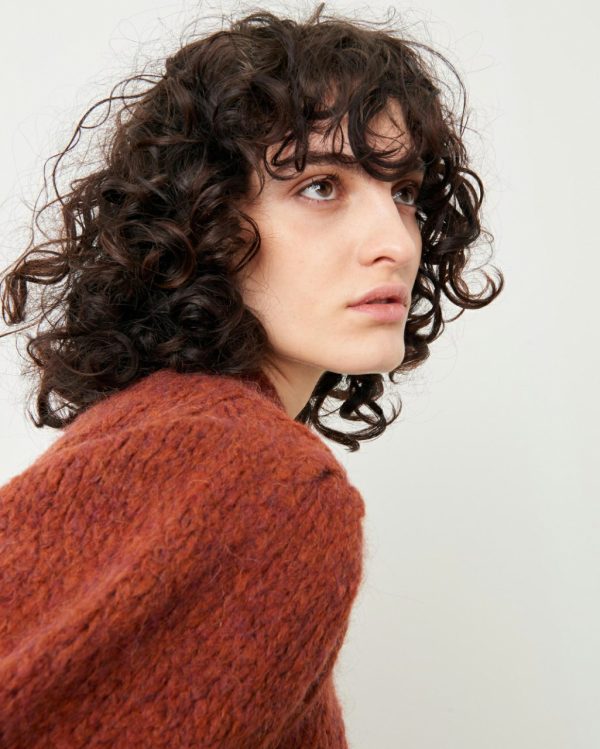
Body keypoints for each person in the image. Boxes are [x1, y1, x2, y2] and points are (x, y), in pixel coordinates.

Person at [0, 4, 503, 747]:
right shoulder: (268, 478)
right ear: (203, 221)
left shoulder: (156, 436)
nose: (396, 243)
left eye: (403, 192)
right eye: (321, 186)